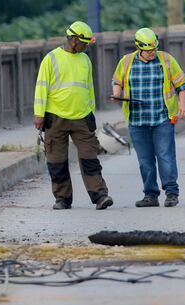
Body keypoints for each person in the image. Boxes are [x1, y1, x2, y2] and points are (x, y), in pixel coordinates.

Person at [34, 21, 113, 210]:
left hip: (81, 118)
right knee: (56, 161)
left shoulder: (85, 60)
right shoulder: (51, 58)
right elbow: (41, 88)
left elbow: (89, 89)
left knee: (90, 159)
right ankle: (62, 199)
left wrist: (91, 113)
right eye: (85, 43)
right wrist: (39, 115)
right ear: (75, 40)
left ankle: (100, 196)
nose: (86, 47)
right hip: (55, 118)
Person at [111, 27, 185, 208]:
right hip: (137, 120)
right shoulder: (127, 61)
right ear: (139, 47)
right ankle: (150, 195)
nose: (152, 52)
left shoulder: (166, 59)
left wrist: (182, 106)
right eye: (148, 50)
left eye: (154, 48)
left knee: (165, 156)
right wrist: (116, 94)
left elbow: (181, 84)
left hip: (162, 117)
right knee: (145, 160)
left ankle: (171, 193)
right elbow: (117, 80)